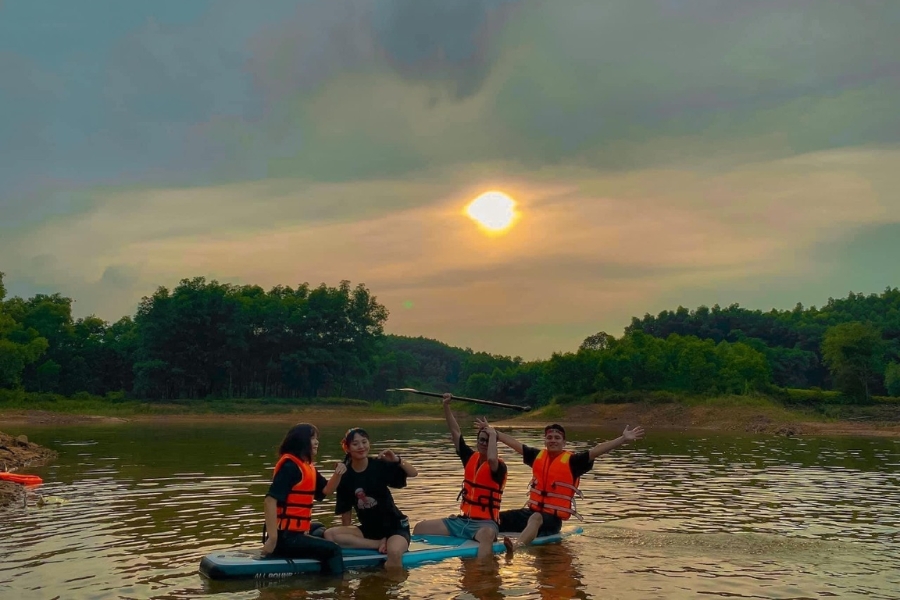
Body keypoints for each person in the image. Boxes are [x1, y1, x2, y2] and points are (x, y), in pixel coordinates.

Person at [492, 421, 645, 547]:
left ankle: (518, 547)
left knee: (536, 517)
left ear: (564, 442)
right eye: (549, 437)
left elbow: (596, 451)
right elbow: (515, 445)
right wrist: (495, 434)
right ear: (545, 441)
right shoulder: (537, 456)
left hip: (551, 521)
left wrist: (623, 439)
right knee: (496, 518)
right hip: (530, 514)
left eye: (557, 438)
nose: (553, 440)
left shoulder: (573, 462)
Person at [413, 393, 509, 561]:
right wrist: (446, 406)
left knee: (486, 535)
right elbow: (455, 431)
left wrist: (493, 434)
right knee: (420, 528)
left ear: (494, 442)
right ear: (477, 441)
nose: (484, 444)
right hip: (462, 522)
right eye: (482, 440)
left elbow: (492, 458)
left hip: (485, 525)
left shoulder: (499, 467)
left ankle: (483, 574)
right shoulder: (470, 458)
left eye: (488, 441)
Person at [323, 427, 419, 570]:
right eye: (355, 444)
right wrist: (346, 545)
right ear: (347, 448)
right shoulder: (345, 475)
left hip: (395, 527)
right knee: (329, 534)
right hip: (369, 530)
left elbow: (413, 473)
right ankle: (378, 543)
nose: (361, 447)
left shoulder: (379, 465)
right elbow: (346, 511)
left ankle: (391, 586)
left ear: (369, 444)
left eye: (364, 442)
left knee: (394, 553)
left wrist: (397, 460)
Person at [262, 422, 346, 575]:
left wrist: (338, 473)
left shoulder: (307, 466)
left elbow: (326, 490)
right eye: (313, 438)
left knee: (319, 527)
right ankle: (337, 588)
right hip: (285, 538)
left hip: (294, 533)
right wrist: (272, 539)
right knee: (334, 550)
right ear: (301, 441)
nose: (317, 442)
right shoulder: (290, 466)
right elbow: (269, 501)